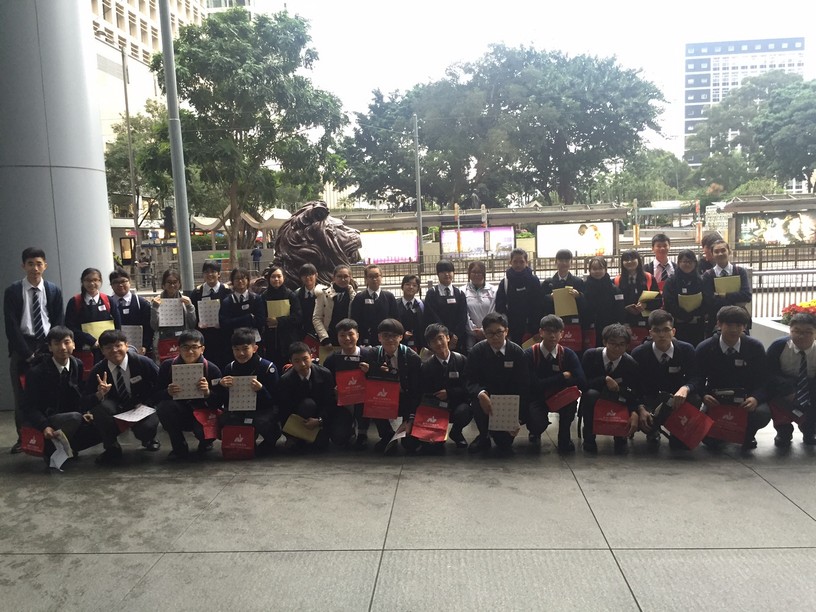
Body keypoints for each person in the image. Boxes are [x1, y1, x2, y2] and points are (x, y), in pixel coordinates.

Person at [4, 247, 64, 453]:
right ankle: (23, 438)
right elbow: (11, 326)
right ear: (23, 266)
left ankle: (51, 435)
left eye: (39, 264)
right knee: (22, 396)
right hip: (22, 346)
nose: (35, 268)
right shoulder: (13, 291)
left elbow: (58, 321)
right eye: (30, 264)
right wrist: (27, 354)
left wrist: (53, 347)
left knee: (50, 391)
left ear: (45, 265)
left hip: (48, 345)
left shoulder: (53, 290)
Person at [694, 306, 770, 451]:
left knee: (761, 413)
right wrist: (704, 395)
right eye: (729, 325)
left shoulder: (755, 347)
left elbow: (764, 380)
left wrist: (755, 398)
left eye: (739, 325)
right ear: (719, 324)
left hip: (746, 400)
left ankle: (748, 434)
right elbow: (697, 377)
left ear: (744, 327)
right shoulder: (705, 348)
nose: (734, 329)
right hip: (716, 401)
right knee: (711, 443)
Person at [21, 326, 100, 463]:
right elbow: (29, 407)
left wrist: (88, 408)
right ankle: (51, 449)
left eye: (67, 342)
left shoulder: (77, 365)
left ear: (73, 344)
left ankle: (68, 448)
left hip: (70, 416)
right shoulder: (36, 372)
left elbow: (78, 395)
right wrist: (44, 426)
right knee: (74, 418)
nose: (62, 347)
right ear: (50, 347)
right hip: (48, 419)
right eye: (57, 344)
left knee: (102, 422)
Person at [85, 329, 161, 465]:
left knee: (146, 429)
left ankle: (149, 439)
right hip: (115, 408)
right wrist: (99, 394)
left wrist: (148, 403)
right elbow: (85, 400)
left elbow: (160, 385)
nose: (114, 350)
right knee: (99, 409)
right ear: (102, 351)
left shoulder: (143, 362)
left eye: (118, 345)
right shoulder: (98, 371)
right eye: (108, 347)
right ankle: (111, 447)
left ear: (126, 345)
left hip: (142, 406)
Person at [631, 310, 700, 449]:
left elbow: (696, 377)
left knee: (695, 398)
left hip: (676, 400)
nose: (662, 335)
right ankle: (653, 430)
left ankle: (678, 431)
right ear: (650, 333)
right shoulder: (639, 353)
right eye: (657, 330)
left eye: (666, 330)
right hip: (650, 400)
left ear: (673, 331)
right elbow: (633, 385)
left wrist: (686, 388)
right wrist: (640, 408)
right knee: (647, 424)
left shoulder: (687, 350)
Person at [464, 312, 530, 455]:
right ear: (484, 333)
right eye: (490, 333)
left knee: (504, 443)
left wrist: (518, 418)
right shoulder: (477, 351)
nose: (495, 337)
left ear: (506, 331)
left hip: (509, 404)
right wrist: (481, 393)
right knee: (477, 400)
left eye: (499, 332)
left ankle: (498, 433)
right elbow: (469, 380)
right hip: (486, 398)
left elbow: (524, 385)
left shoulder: (517, 352)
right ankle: (483, 435)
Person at [156, 329, 223, 459]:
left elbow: (220, 401)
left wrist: (208, 393)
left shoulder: (212, 369)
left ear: (202, 349)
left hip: (203, 412)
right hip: (179, 411)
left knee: (204, 429)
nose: (190, 351)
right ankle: (179, 446)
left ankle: (206, 442)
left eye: (194, 347)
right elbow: (156, 395)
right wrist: (167, 392)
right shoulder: (167, 366)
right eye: (185, 347)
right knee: (164, 407)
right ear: (178, 348)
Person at [524, 315, 586, 454]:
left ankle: (564, 437)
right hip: (537, 398)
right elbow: (532, 385)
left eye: (556, 331)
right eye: (548, 331)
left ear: (562, 333)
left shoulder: (568, 354)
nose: (552, 335)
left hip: (560, 397)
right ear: (541, 332)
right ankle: (534, 432)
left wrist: (546, 382)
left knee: (571, 402)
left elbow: (581, 381)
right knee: (536, 424)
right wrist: (562, 377)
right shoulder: (529, 354)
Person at [216, 327, 281, 456]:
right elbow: (225, 402)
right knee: (223, 420)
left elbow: (276, 400)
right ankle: (246, 441)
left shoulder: (268, 367)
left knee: (261, 422)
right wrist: (222, 386)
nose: (241, 353)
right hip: (239, 410)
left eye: (245, 349)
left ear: (254, 348)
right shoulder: (230, 368)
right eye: (236, 349)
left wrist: (261, 390)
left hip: (263, 410)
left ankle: (271, 439)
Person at [362, 318, 422, 453]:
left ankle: (409, 430)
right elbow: (368, 381)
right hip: (383, 398)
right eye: (385, 336)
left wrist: (411, 418)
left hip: (406, 398)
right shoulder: (372, 354)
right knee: (372, 399)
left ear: (401, 337)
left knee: (410, 444)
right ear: (379, 337)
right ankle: (386, 435)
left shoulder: (412, 358)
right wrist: (373, 371)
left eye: (394, 336)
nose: (390, 339)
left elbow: (416, 391)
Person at [579, 323, 641, 454]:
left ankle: (620, 435)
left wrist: (634, 411)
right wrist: (604, 379)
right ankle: (589, 437)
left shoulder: (631, 364)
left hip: (619, 396)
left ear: (627, 346)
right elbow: (582, 384)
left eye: (621, 344)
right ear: (604, 342)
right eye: (613, 343)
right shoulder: (591, 356)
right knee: (590, 395)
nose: (617, 348)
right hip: (596, 394)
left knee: (625, 398)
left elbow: (634, 392)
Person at [414, 323, 472, 452]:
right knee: (432, 447)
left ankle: (456, 432)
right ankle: (437, 433)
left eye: (441, 338)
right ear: (429, 345)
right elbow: (423, 392)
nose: (439, 343)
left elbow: (468, 387)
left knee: (466, 410)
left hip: (456, 404)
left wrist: (450, 393)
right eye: (433, 341)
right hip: (436, 407)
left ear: (448, 338)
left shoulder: (462, 360)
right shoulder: (426, 366)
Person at [765, 312, 816, 447]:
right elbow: (768, 372)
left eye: (808, 332)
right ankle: (783, 431)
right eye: (796, 331)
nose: (801, 336)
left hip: (811, 388)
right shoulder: (779, 346)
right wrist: (787, 388)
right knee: (774, 397)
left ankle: (810, 430)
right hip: (783, 388)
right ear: (790, 331)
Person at [322, 318, 373, 448]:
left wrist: (370, 371)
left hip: (364, 401)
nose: (347, 338)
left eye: (351, 334)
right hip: (341, 403)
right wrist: (334, 390)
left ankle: (362, 432)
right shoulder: (331, 359)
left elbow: (379, 380)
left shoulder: (369, 355)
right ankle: (348, 428)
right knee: (339, 439)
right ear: (337, 337)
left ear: (358, 335)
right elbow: (326, 384)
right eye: (342, 335)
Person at [277, 341, 335, 451]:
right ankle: (298, 438)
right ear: (291, 362)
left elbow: (330, 402)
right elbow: (284, 410)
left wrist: (319, 420)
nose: (302, 364)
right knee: (307, 404)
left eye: (305, 359)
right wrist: (290, 435)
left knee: (321, 445)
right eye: (297, 361)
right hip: (297, 420)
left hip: (319, 419)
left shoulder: (325, 374)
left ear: (311, 357)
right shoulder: (285, 380)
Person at [65, 267, 121, 366]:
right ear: (82, 282)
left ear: (100, 281)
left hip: (107, 349)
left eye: (95, 280)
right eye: (88, 280)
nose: (92, 283)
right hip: (84, 350)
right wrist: (90, 340)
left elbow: (118, 325)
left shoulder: (108, 300)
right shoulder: (74, 302)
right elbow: (70, 327)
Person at [701, 240, 752, 335]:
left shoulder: (740, 272)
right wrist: (735, 300)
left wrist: (723, 295)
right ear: (712, 254)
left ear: (729, 251)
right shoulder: (708, 276)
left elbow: (746, 296)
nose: (720, 254)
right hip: (716, 321)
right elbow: (709, 301)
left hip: (739, 320)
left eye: (723, 250)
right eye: (716, 251)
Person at [495, 248, 542, 345]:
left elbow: (539, 305)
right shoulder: (505, 282)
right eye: (515, 261)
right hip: (511, 329)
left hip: (530, 329)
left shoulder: (534, 281)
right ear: (510, 262)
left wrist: (536, 329)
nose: (518, 265)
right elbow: (500, 307)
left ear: (526, 262)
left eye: (521, 262)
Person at [661, 249, 708, 346]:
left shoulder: (701, 280)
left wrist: (694, 315)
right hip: (678, 323)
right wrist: (684, 316)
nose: (687, 264)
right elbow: (669, 302)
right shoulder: (671, 281)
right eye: (684, 261)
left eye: (690, 262)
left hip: (697, 324)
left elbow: (707, 301)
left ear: (695, 263)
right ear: (679, 263)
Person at [190, 261, 232, 368]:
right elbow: (192, 315)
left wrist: (223, 323)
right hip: (204, 336)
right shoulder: (197, 293)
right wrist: (198, 324)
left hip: (223, 336)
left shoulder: (227, 291)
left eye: (213, 271)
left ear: (219, 274)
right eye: (206, 272)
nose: (210, 275)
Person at [150, 269, 197, 362]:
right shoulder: (156, 301)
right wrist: (155, 308)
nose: (172, 285)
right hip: (163, 341)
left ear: (179, 284)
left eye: (175, 282)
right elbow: (154, 326)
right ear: (163, 284)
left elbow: (192, 324)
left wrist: (190, 307)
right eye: (169, 282)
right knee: (165, 366)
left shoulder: (186, 301)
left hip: (182, 341)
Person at [615, 249, 661, 342]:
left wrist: (645, 305)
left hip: (646, 323)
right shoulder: (617, 281)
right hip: (626, 324)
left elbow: (658, 301)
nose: (629, 262)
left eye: (632, 259)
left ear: (638, 260)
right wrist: (625, 309)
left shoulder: (649, 278)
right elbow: (614, 304)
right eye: (626, 260)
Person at [261, 265, 302, 369]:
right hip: (271, 340)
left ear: (284, 277)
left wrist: (278, 321)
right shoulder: (264, 296)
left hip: (288, 339)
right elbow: (260, 315)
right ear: (269, 278)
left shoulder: (290, 295)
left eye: (279, 276)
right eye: (273, 277)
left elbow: (297, 317)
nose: (276, 279)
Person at [423, 259, 468, 352]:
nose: (447, 274)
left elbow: (463, 317)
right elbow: (432, 315)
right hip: (438, 338)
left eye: (449, 271)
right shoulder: (432, 293)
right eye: (443, 272)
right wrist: (446, 335)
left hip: (457, 340)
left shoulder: (459, 293)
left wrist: (455, 336)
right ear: (438, 274)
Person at [582, 257, 625, 348]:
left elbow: (620, 311)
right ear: (590, 270)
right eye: (594, 269)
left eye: (600, 268)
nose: (597, 271)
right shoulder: (583, 287)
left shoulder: (615, 290)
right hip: (588, 329)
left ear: (605, 269)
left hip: (609, 331)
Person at [109, 268, 153, 357]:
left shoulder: (141, 303)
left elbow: (148, 327)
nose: (120, 285)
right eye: (116, 282)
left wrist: (145, 345)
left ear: (130, 282)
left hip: (139, 350)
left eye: (123, 281)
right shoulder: (108, 304)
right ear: (111, 285)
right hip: (115, 351)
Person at [350, 264, 397, 346]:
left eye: (377, 276)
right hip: (365, 341)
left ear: (381, 277)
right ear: (366, 279)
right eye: (371, 276)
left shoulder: (389, 297)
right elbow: (354, 320)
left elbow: (395, 319)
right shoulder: (359, 297)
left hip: (385, 340)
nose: (374, 279)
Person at [313, 264, 356, 348]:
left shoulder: (354, 296)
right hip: (329, 338)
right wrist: (324, 338)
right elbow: (317, 318)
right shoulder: (323, 294)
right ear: (333, 278)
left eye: (346, 276)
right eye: (339, 276)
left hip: (348, 339)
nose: (342, 279)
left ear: (350, 278)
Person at [219, 267, 265, 344]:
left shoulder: (256, 299)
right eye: (237, 278)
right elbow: (224, 324)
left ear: (248, 280)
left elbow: (261, 321)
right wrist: (248, 318)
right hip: (234, 342)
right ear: (232, 281)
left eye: (243, 278)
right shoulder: (227, 302)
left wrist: (235, 321)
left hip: (254, 341)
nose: (240, 281)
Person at [462, 261, 496, 352]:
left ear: (484, 273)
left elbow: (493, 311)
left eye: (479, 272)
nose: (476, 275)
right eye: (473, 272)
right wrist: (473, 330)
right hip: (470, 335)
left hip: (489, 332)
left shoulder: (493, 290)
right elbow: (464, 313)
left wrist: (484, 330)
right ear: (469, 273)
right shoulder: (462, 291)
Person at [395, 274, 425, 352]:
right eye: (407, 284)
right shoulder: (395, 304)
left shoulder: (421, 304)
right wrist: (402, 333)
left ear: (418, 289)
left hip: (418, 343)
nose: (411, 287)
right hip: (399, 343)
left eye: (414, 285)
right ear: (402, 287)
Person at [294, 263, 321, 341]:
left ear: (316, 275)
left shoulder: (323, 293)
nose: (307, 277)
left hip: (319, 332)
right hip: (302, 333)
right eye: (304, 275)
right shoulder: (296, 294)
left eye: (310, 274)